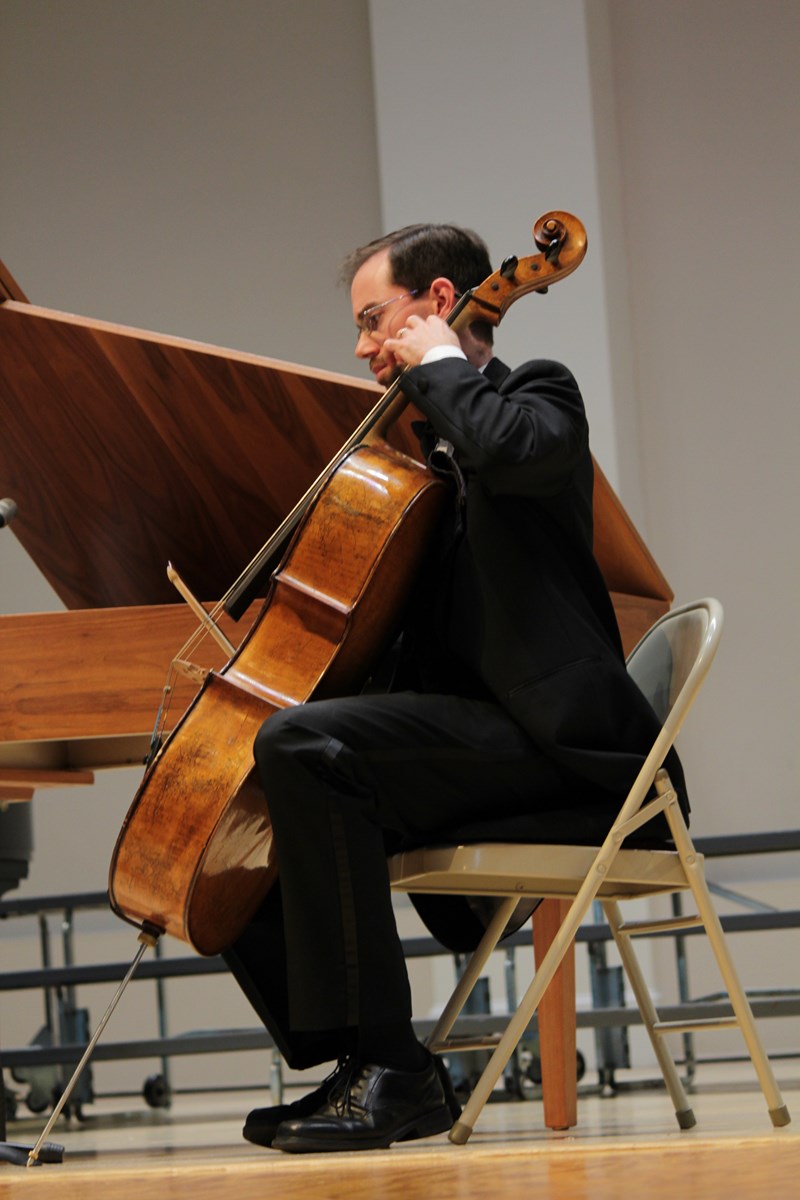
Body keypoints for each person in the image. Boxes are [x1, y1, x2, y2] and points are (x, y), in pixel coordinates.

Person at [223, 222, 687, 1154]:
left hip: (574, 760)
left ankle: (394, 1071)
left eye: (373, 320)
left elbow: (514, 451)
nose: (363, 347)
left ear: (438, 301)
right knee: (243, 783)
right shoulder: (422, 455)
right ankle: (363, 1059)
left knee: (303, 747)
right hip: (485, 748)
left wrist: (437, 361)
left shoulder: (536, 396)